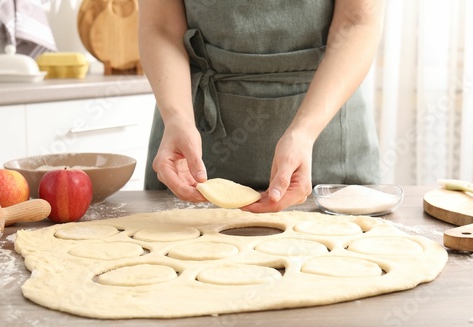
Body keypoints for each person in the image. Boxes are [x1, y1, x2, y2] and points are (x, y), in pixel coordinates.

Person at [138, 0, 386, 213]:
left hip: (327, 135)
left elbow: (358, 21)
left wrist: (304, 132)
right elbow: (161, 27)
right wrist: (177, 117)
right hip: (193, 138)